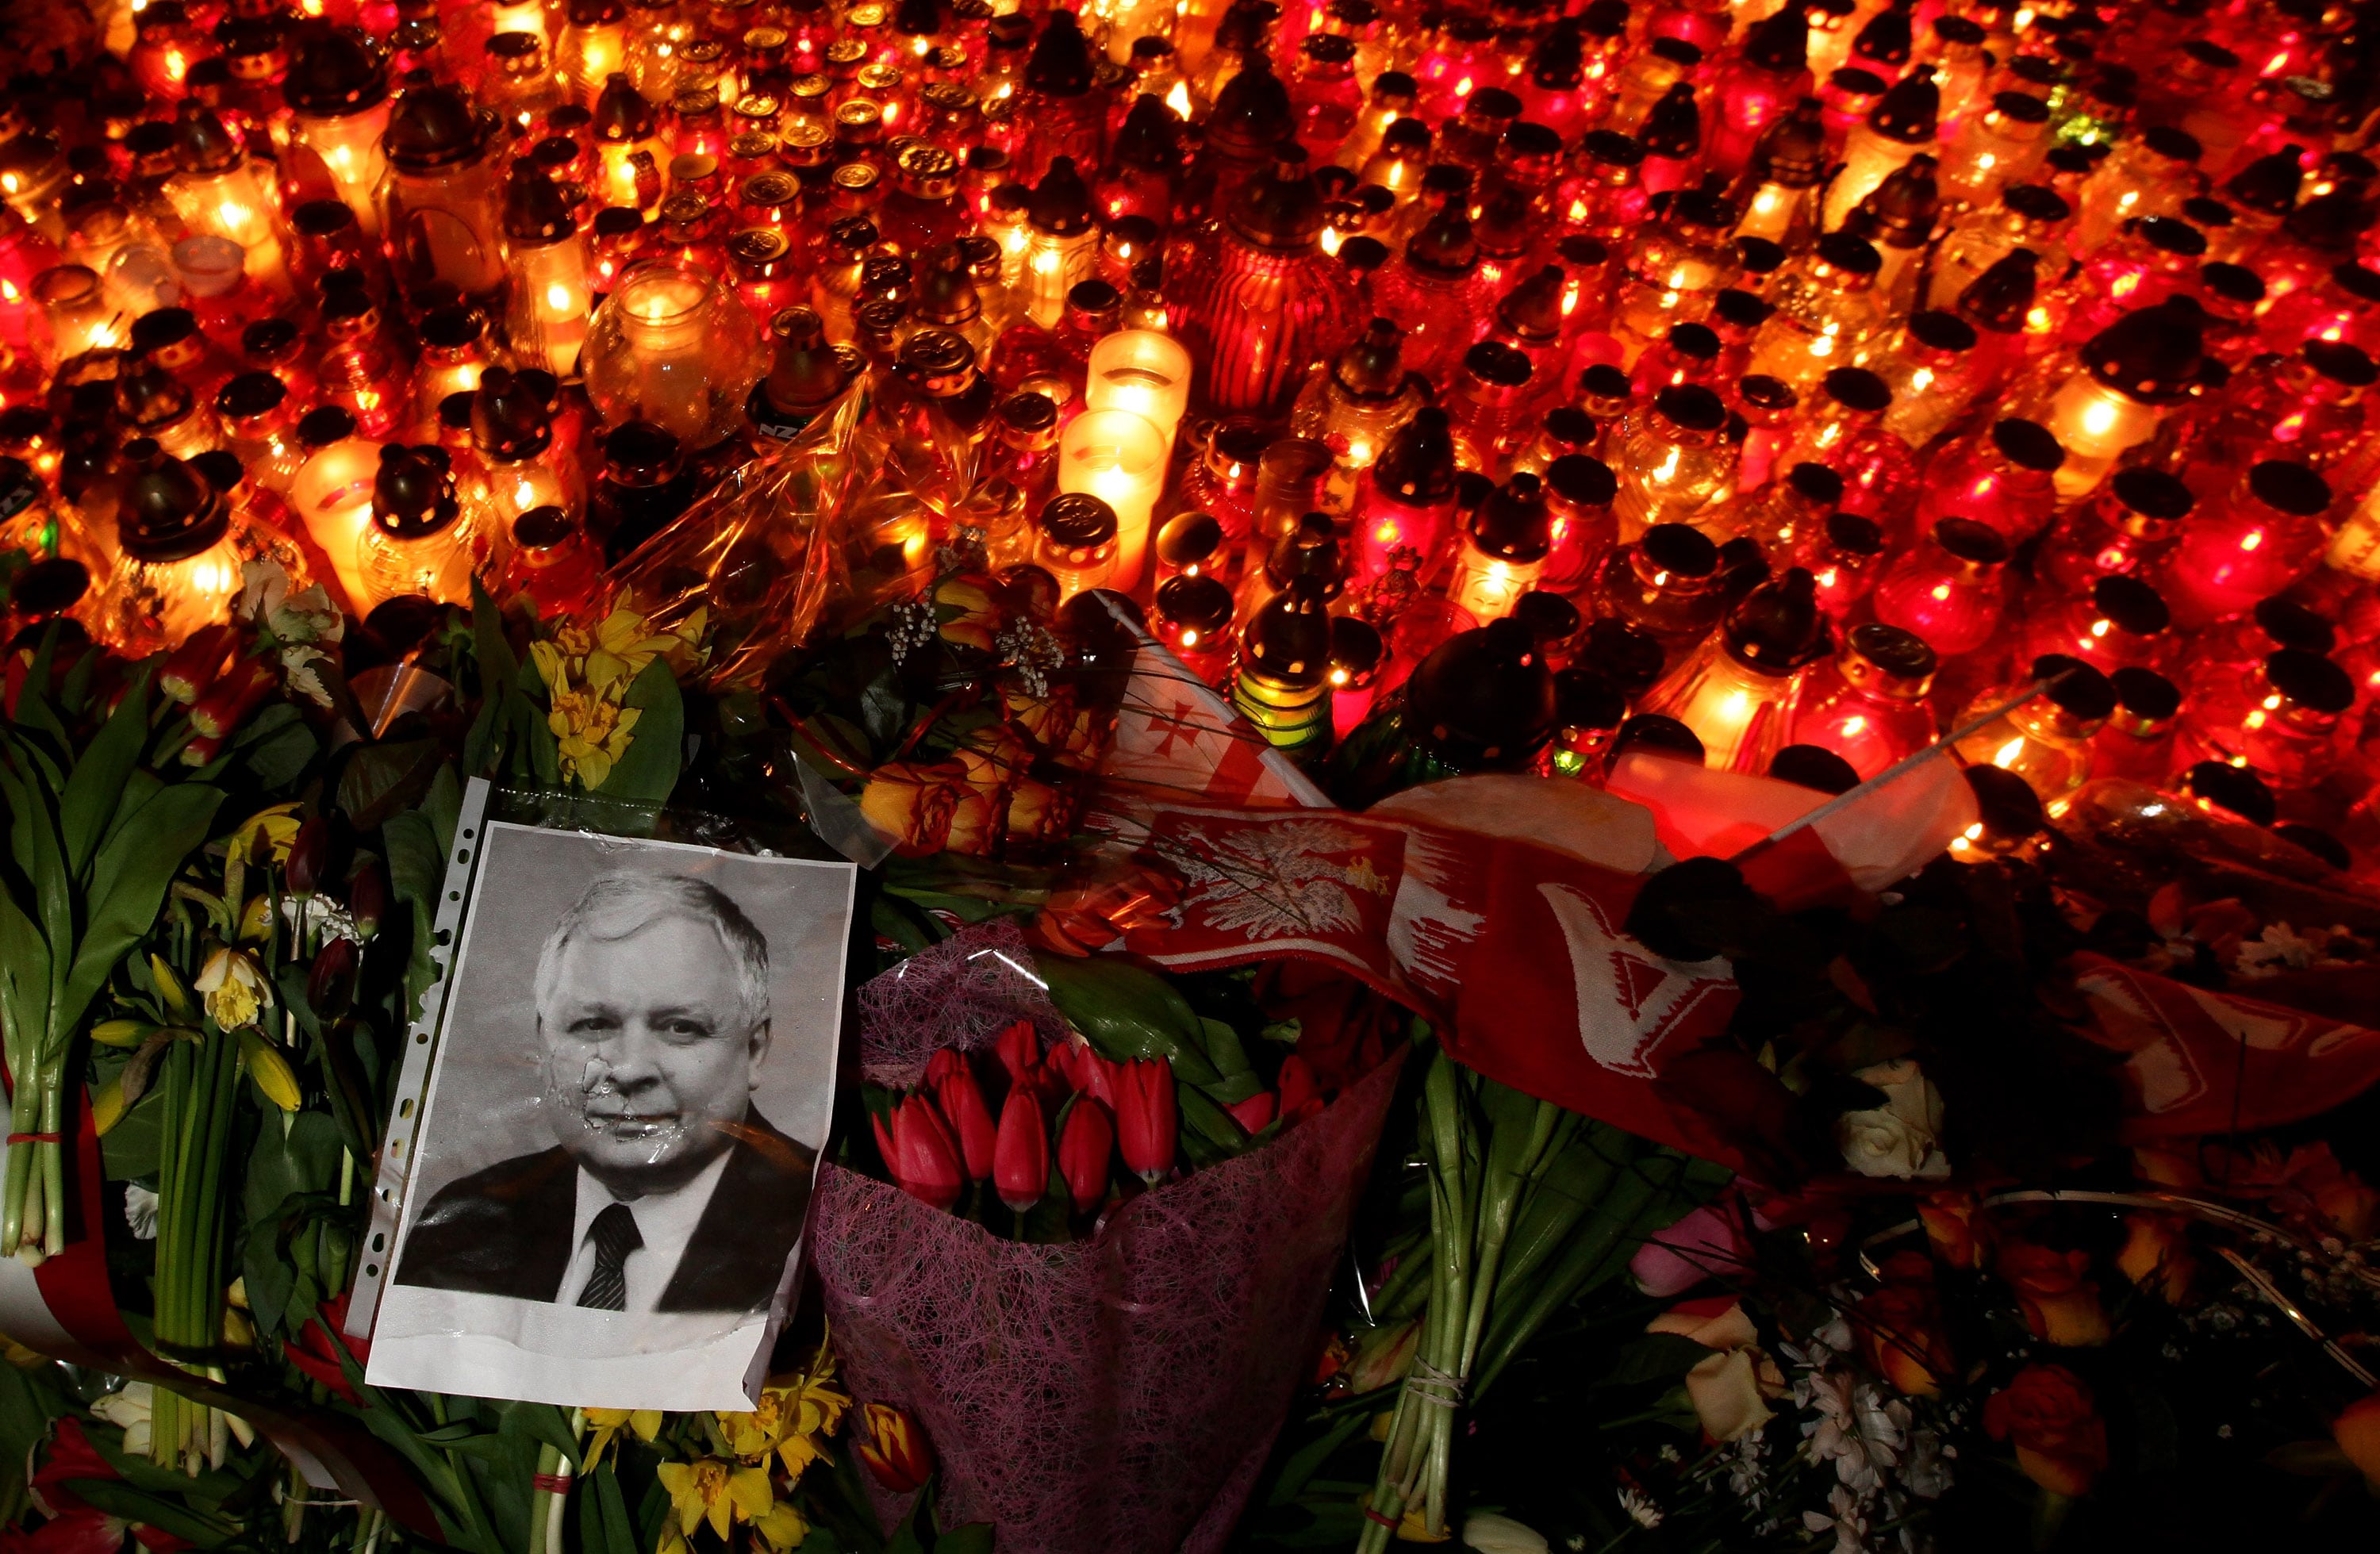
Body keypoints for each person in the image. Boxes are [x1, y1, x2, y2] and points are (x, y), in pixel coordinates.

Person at [395, 873, 815, 1314]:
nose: (629, 1069)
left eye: (680, 1027)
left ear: (753, 1051)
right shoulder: (462, 1224)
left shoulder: (825, 1227)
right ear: (543, 1044)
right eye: (594, 1025)